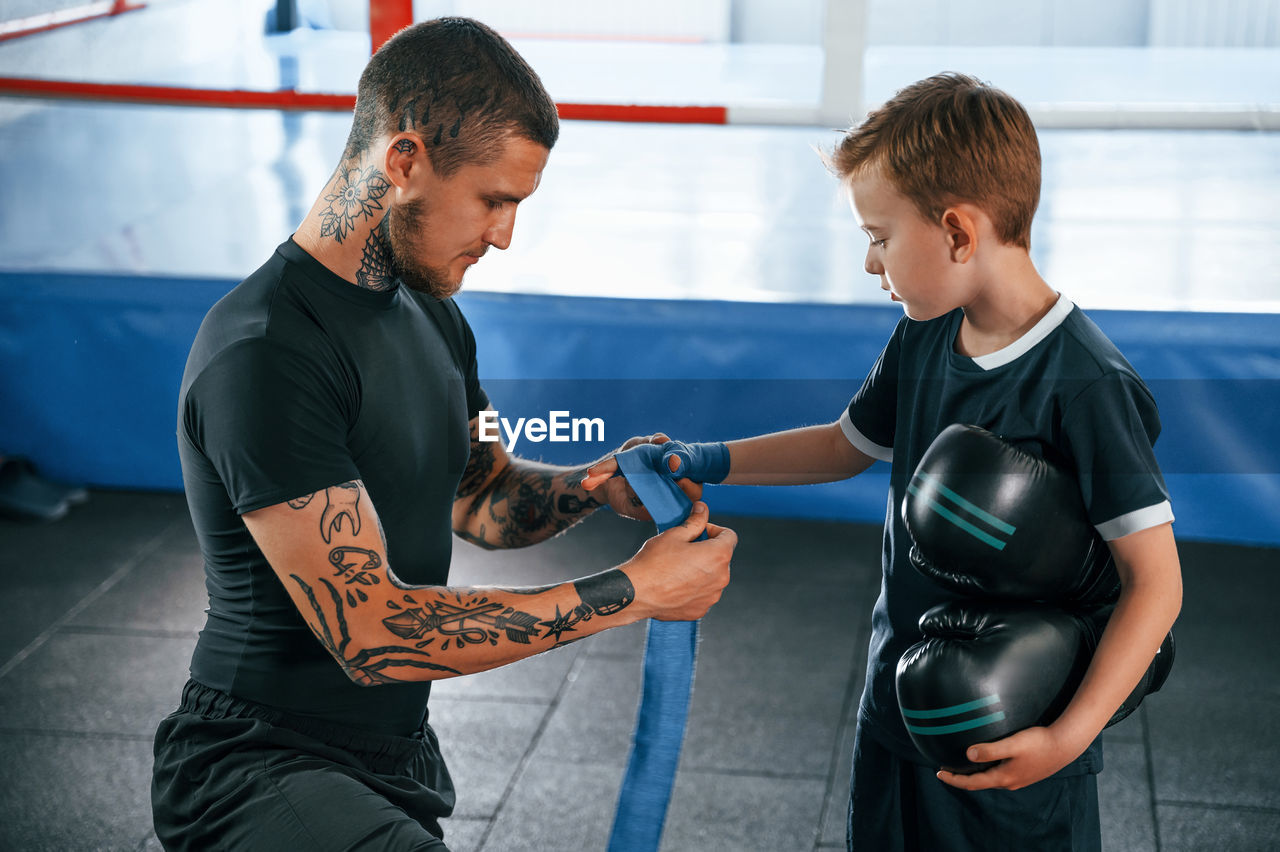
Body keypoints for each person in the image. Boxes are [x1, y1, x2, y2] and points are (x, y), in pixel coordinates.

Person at [150, 18, 736, 851]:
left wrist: (590, 487)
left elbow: (484, 497)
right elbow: (375, 634)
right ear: (404, 160)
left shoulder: (434, 314)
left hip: (392, 758)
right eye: (495, 200)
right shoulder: (267, 351)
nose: (504, 235)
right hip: (255, 764)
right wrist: (630, 593)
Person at [585, 72, 1182, 851]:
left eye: (879, 237)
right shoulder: (927, 333)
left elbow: (1156, 581)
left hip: (1016, 742)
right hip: (896, 708)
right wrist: (703, 458)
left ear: (959, 233)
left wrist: (1065, 739)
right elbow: (845, 445)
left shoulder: (1086, 382)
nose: (872, 264)